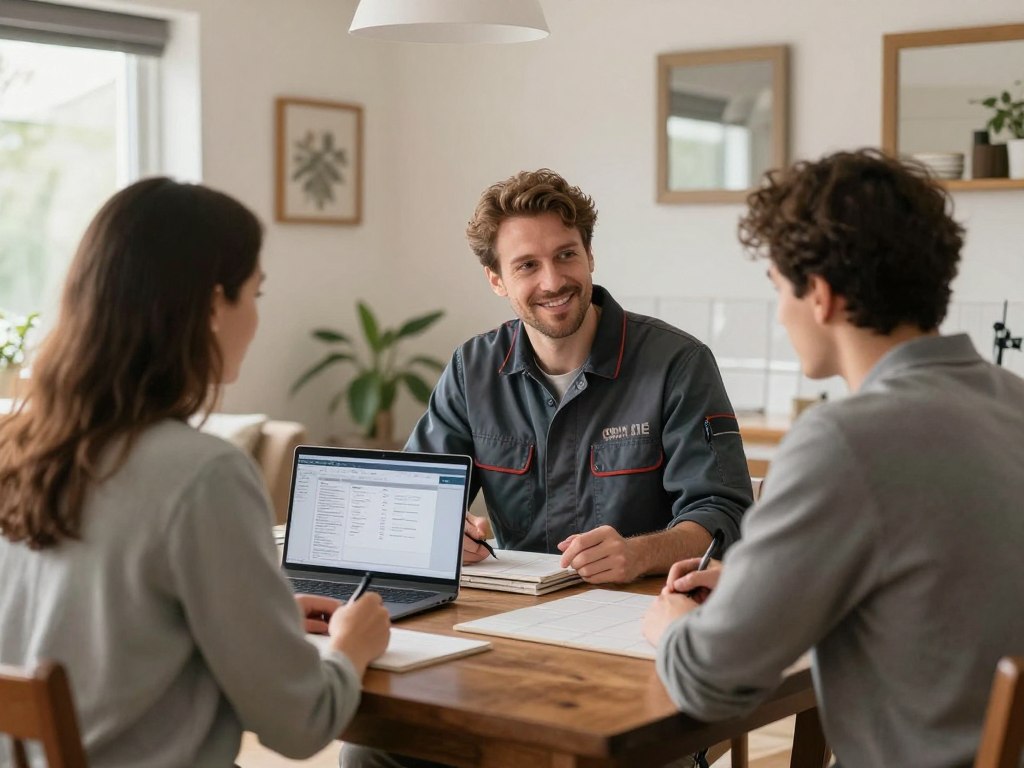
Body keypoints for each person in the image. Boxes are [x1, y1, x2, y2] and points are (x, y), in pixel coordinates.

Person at [644, 149, 1024, 767]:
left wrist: (669, 625)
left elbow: (708, 681)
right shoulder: (1013, 400)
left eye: (778, 289)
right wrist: (755, 586)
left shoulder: (843, 441)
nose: (781, 313)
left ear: (818, 295)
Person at [0, 178, 390, 767]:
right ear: (213, 305)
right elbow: (300, 725)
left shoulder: (17, 451)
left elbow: (95, 630)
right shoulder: (204, 476)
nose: (256, 317)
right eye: (254, 294)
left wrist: (265, 618)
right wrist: (351, 650)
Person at [406, 169, 752, 584]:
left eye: (566, 255)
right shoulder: (473, 370)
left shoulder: (678, 363)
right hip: (511, 609)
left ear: (590, 255)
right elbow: (412, 498)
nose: (552, 281)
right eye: (527, 265)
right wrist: (438, 531)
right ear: (496, 279)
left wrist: (639, 553)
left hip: (644, 610)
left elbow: (724, 516)